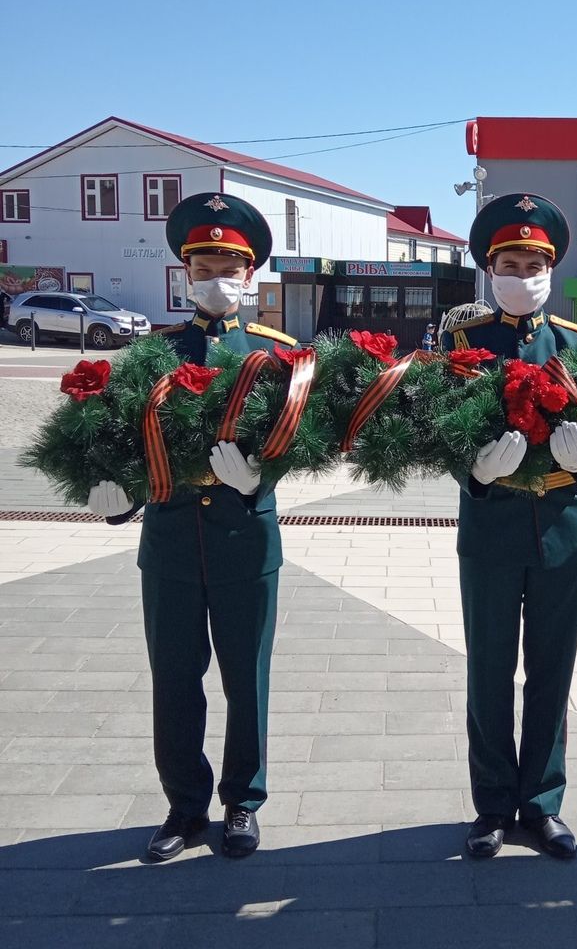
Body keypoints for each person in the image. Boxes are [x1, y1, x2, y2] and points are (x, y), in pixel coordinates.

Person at [85, 193, 297, 862]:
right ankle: (184, 807)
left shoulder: (276, 355)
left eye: (228, 264)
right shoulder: (154, 353)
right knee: (175, 678)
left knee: (245, 679)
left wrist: (259, 478)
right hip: (173, 542)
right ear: (183, 273)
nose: (215, 277)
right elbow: (120, 443)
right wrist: (114, 498)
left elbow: (300, 441)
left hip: (245, 539)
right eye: (202, 265)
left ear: (252, 272)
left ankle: (242, 803)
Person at [442, 193, 577, 861]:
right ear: (489, 268)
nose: (523, 272)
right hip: (492, 529)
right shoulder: (463, 345)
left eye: (535, 261)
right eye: (511, 261)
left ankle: (542, 804)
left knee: (552, 673)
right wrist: (474, 470)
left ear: (552, 268)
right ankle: (491, 806)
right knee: (490, 671)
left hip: (565, 527)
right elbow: (437, 431)